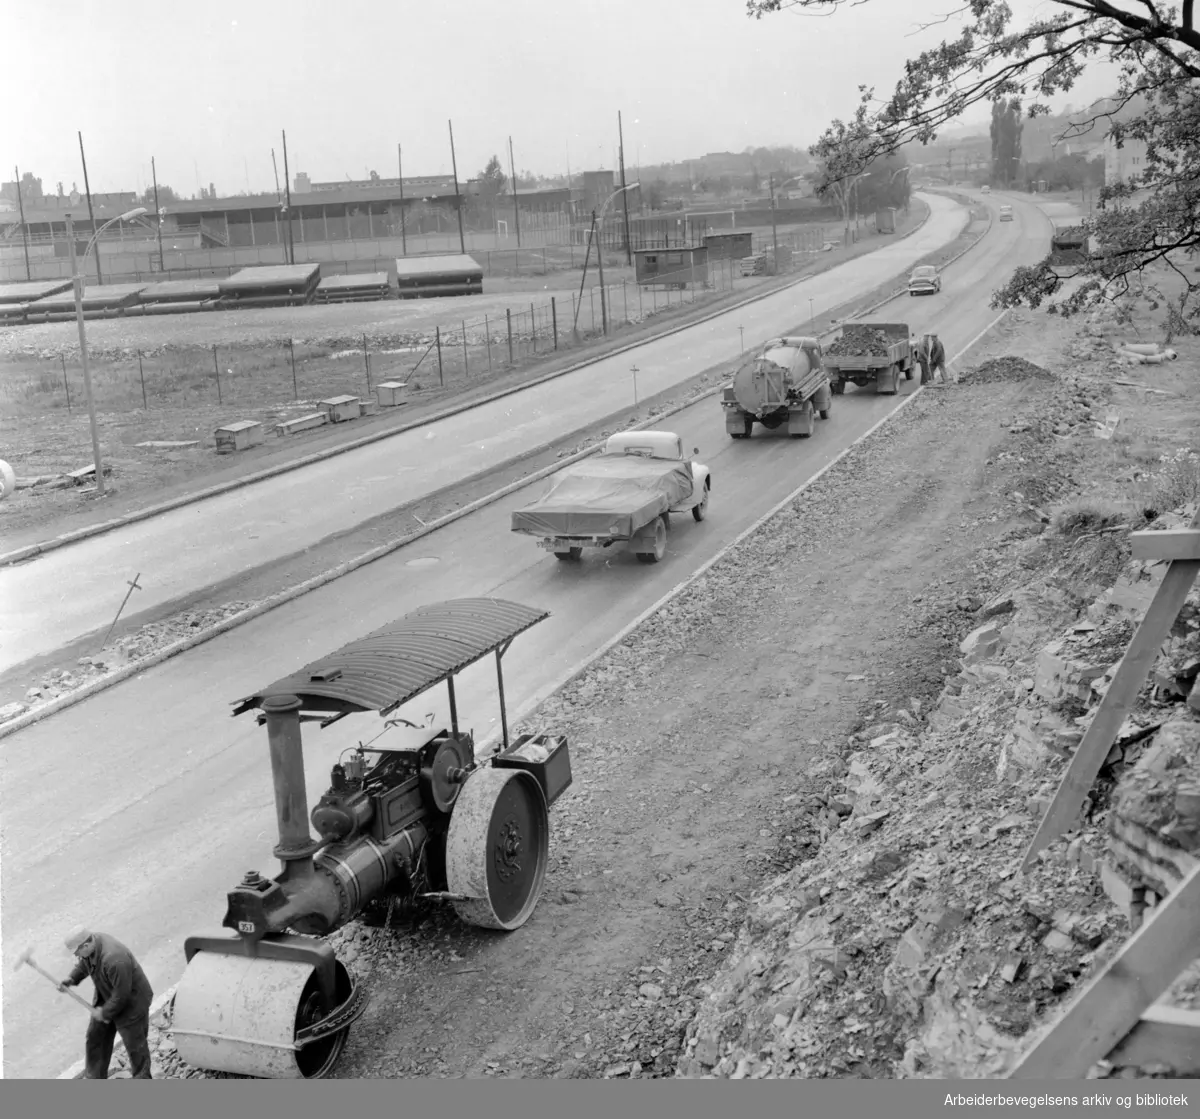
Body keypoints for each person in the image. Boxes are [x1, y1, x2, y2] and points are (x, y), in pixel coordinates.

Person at [58, 926, 154, 1079]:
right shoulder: (93, 943)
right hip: (109, 995)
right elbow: (85, 962)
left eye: (76, 951)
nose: (76, 955)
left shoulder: (115, 959)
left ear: (86, 945)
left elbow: (122, 995)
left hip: (132, 1004)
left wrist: (103, 1012)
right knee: (96, 1037)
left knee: (136, 1048)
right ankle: (94, 1078)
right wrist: (72, 978)